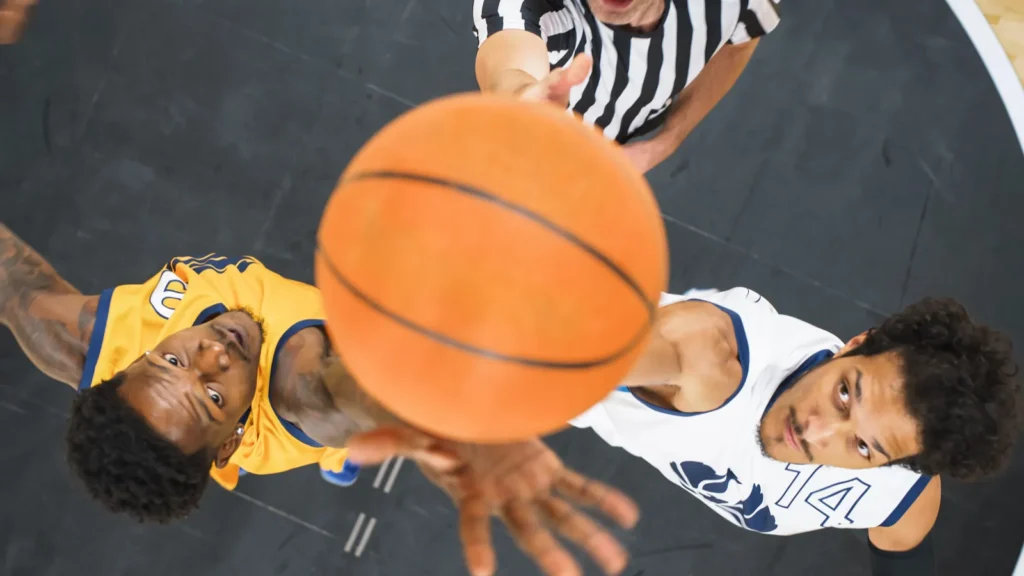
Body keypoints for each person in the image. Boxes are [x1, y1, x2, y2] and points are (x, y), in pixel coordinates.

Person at [0, 222, 639, 576]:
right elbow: (364, 401)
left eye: (174, 358)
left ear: (134, 360)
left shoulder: (101, 348)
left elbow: (15, 291)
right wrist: (467, 440)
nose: (213, 355)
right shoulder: (299, 391)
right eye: (214, 397)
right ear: (229, 441)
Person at [360, 287, 1020, 576]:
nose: (816, 428)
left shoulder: (896, 496)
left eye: (863, 446)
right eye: (846, 392)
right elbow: (535, 344)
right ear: (857, 343)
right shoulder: (707, 359)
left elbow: (904, 545)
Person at [472, 0, 780, 173]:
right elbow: (509, 65)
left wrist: (665, 142)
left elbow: (739, 43)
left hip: (615, 146)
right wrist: (522, 99)